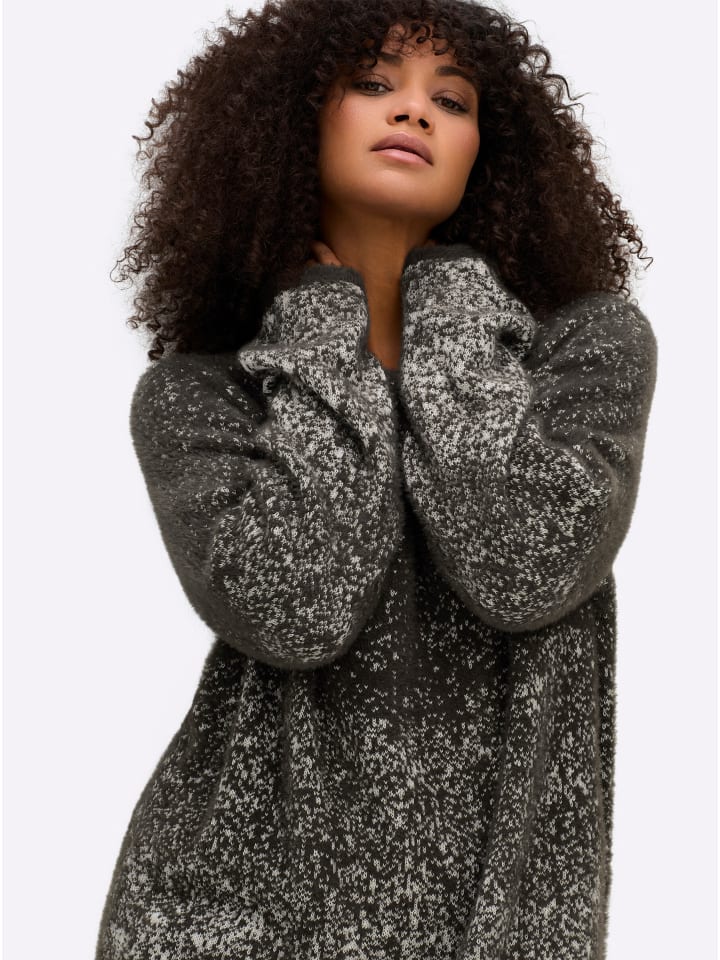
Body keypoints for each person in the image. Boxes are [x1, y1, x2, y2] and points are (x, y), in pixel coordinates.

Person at [94, 2, 658, 958]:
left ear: (488, 151)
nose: (414, 110)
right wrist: (322, 329)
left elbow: (524, 567)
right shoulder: (201, 397)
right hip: (232, 920)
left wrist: (447, 305)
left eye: (452, 99)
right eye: (372, 83)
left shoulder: (583, 351)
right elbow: (296, 609)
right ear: (292, 123)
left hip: (500, 928)